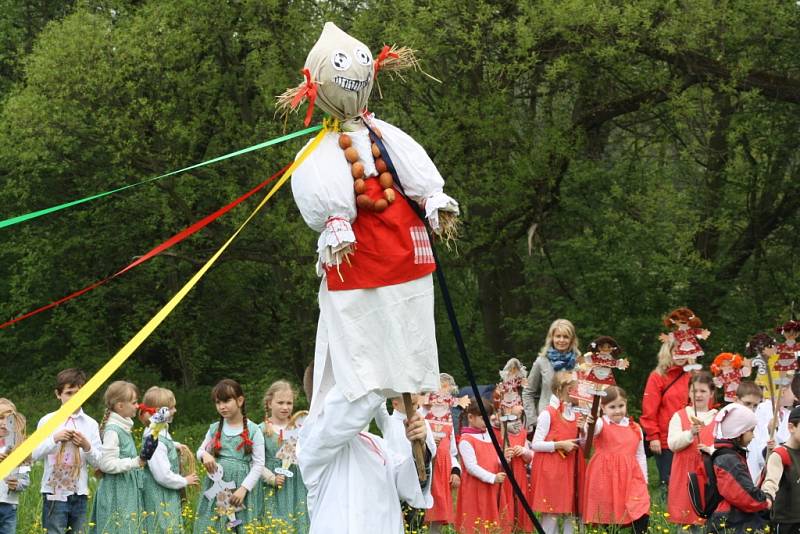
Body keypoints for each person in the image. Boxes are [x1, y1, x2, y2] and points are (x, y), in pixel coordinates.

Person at [297, 373, 433, 534]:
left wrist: (421, 449)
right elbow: (339, 415)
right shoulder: (310, 439)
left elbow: (408, 485)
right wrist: (382, 370)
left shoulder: (376, 443)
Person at [32, 368, 102, 534]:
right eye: (69, 393)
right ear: (58, 394)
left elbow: (100, 462)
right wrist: (54, 439)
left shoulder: (91, 424)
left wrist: (86, 446)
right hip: (54, 492)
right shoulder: (47, 421)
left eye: (79, 393)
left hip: (80, 492)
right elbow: (33, 454)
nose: (74, 398)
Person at [194, 379, 265, 533]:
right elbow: (199, 451)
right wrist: (205, 455)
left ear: (240, 401)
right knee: (213, 526)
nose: (222, 406)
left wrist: (243, 489)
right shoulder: (214, 429)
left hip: (240, 487)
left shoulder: (253, 430)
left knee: (240, 525)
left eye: (226, 401)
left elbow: (259, 464)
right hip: (217, 486)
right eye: (218, 402)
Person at [581, 386, 650, 533]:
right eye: (612, 407)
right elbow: (590, 432)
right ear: (603, 408)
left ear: (626, 404)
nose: (617, 410)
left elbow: (640, 455)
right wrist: (590, 423)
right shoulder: (601, 423)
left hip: (631, 477)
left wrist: (645, 479)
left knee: (641, 510)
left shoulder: (635, 428)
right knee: (608, 515)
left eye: (621, 406)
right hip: (605, 476)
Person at [90, 380, 152, 532]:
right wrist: (135, 462)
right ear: (120, 406)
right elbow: (106, 464)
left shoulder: (123, 426)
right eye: (134, 402)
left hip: (125, 487)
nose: (137, 406)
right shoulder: (113, 430)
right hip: (117, 491)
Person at [530, 371, 585, 534]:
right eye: (576, 388)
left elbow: (581, 441)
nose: (579, 392)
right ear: (566, 390)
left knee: (572, 510)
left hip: (572, 468)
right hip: (553, 469)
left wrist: (584, 433)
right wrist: (559, 444)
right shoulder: (548, 413)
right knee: (551, 511)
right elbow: (536, 444)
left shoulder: (575, 413)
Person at [140, 386, 199, 533]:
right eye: (171, 408)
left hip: (165, 493)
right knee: (164, 527)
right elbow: (162, 475)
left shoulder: (157, 429)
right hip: (160, 495)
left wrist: (176, 445)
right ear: (160, 411)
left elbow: (164, 444)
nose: (175, 411)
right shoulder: (155, 438)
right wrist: (185, 481)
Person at [707, 403, 771, 534]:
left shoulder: (730, 455)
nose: (753, 436)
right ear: (738, 432)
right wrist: (765, 502)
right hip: (732, 521)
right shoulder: (729, 460)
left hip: (732, 520)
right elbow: (744, 496)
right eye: (751, 431)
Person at [666, 371, 718, 530]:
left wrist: (710, 450)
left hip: (708, 473)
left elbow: (723, 445)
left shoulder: (718, 417)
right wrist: (690, 433)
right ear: (689, 393)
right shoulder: (680, 416)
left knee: (707, 515)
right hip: (685, 472)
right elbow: (672, 444)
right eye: (694, 391)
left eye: (703, 391)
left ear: (711, 394)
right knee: (685, 518)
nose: (698, 395)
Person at [640, 338, 691, 495]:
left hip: (690, 435)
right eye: (677, 351)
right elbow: (649, 410)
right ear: (668, 353)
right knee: (668, 482)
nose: (681, 355)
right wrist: (653, 436)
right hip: (665, 438)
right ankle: (666, 516)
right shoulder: (657, 377)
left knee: (690, 481)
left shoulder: (693, 375)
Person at [260, 380, 309, 533]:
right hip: (272, 485)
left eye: (289, 403)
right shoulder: (260, 430)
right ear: (269, 403)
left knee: (299, 522)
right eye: (280, 402)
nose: (285, 407)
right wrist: (270, 478)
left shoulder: (299, 428)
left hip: (296, 484)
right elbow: (255, 462)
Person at [455, 398, 506, 534]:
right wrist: (492, 477)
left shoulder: (490, 435)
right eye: (483, 418)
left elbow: (495, 458)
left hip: (491, 486)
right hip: (476, 487)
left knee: (490, 521)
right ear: (471, 417)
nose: (487, 422)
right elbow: (471, 467)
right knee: (476, 520)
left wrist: (504, 458)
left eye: (488, 418)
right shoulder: (466, 440)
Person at [386, 395, 437, 532]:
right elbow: (390, 452)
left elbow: (432, 450)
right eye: (407, 397)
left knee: (415, 525)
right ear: (395, 403)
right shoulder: (389, 423)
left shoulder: (422, 421)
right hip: (399, 482)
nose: (412, 396)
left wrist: (423, 445)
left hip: (419, 480)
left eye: (414, 394)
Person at [522, 319, 581, 434]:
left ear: (572, 339)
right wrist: (533, 420)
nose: (561, 340)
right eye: (558, 336)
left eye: (566, 336)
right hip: (546, 420)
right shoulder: (541, 361)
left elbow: (583, 395)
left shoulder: (579, 363)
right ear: (551, 338)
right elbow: (527, 392)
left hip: (572, 420)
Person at [762, 406, 800, 534]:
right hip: (787, 524)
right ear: (791, 427)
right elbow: (771, 481)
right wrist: (767, 496)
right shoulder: (780, 454)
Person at [749, 385, 794, 482]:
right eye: (792, 390)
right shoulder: (763, 409)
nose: (795, 396)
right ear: (783, 391)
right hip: (765, 467)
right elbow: (759, 442)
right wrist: (771, 432)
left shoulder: (788, 414)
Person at [0, 398, 30, 534]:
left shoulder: (19, 449)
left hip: (9, 506)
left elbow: (25, 480)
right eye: (0, 418)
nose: (4, 423)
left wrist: (17, 484)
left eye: (9, 419)